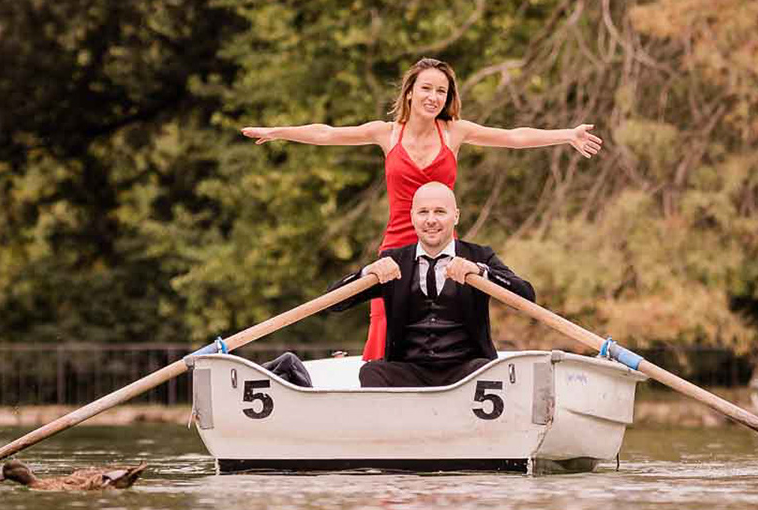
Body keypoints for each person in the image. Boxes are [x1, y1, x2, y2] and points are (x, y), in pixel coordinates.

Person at [242, 56, 599, 360]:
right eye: (426, 88)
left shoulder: (454, 132)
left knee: (451, 316)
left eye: (441, 91)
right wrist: (278, 132)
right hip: (397, 245)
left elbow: (513, 137)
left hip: (443, 246)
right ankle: (382, 382)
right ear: (410, 91)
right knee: (387, 321)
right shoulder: (387, 133)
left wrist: (566, 134)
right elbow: (326, 133)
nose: (433, 97)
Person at [322, 181, 535, 388]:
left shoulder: (479, 256)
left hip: (467, 372)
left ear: (456, 216)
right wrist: (366, 272)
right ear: (412, 217)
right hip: (409, 372)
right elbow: (332, 302)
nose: (431, 220)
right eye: (423, 212)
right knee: (371, 371)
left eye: (440, 212)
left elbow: (526, 297)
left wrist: (481, 272)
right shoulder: (393, 261)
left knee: (488, 370)